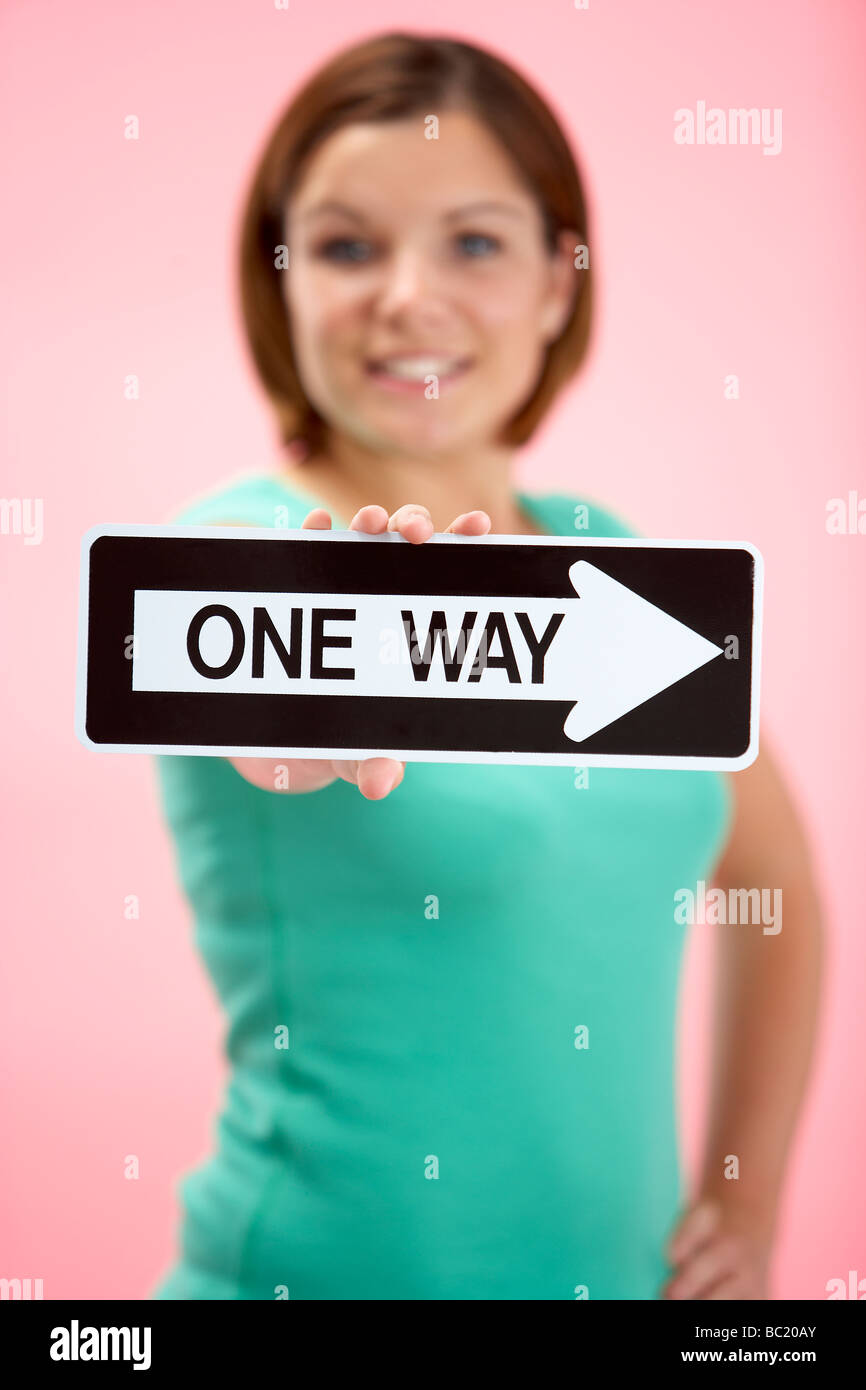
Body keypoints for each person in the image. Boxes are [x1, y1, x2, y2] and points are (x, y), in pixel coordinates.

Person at [150, 32, 823, 1300]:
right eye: (347, 246)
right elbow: (246, 693)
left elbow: (774, 875)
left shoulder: (616, 564)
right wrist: (314, 705)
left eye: (473, 242)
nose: (407, 296)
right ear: (279, 281)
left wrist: (744, 1193)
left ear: (559, 282)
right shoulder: (226, 555)